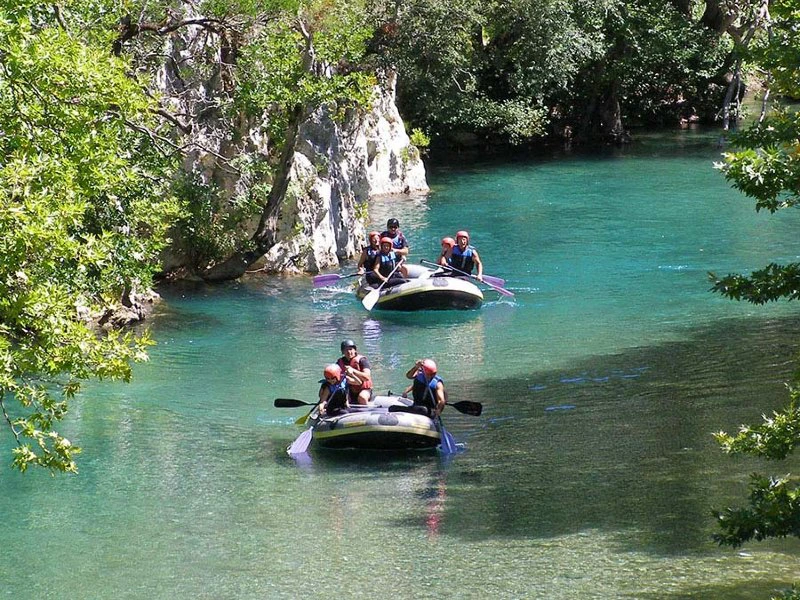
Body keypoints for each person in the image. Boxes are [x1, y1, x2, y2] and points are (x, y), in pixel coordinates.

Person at [336, 339, 373, 405]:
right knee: (341, 398)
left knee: (362, 398)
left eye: (351, 349)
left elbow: (367, 377)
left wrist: (353, 371)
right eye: (346, 350)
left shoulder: (362, 360)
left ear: (355, 350)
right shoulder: (340, 362)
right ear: (343, 352)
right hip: (349, 390)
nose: (349, 352)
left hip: (364, 389)